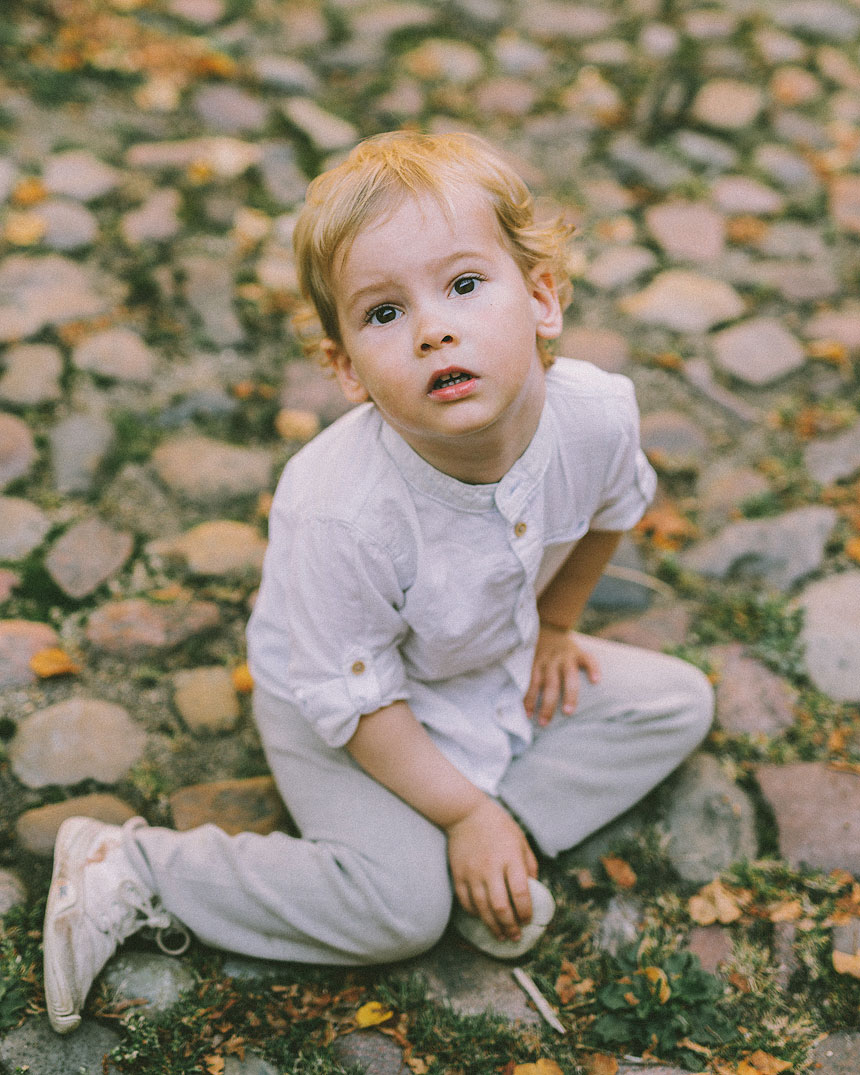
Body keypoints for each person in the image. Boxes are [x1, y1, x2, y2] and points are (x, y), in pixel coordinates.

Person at [43, 131, 713, 1035]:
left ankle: (490, 843)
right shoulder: (339, 510)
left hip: (490, 653)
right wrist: (460, 804)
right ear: (349, 370)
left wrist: (555, 627)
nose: (433, 326)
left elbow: (612, 509)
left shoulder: (595, 413)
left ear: (543, 298)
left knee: (676, 700)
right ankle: (137, 868)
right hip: (345, 705)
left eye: (465, 285)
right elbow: (354, 700)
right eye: (384, 313)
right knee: (400, 911)